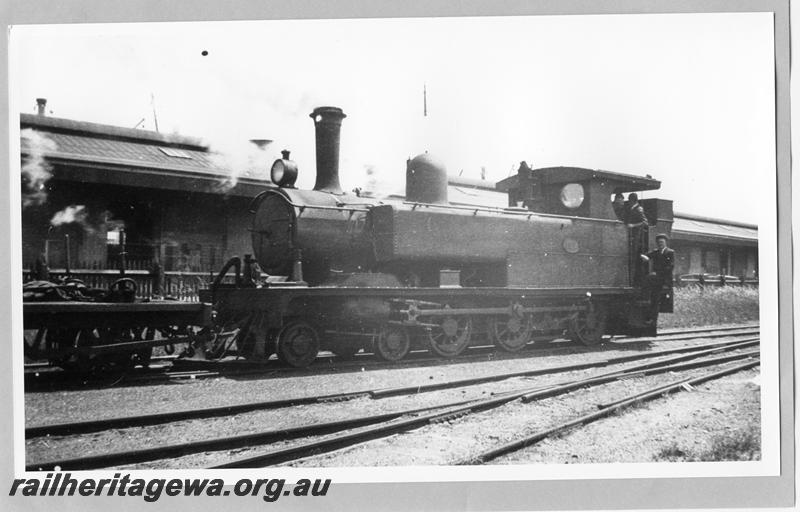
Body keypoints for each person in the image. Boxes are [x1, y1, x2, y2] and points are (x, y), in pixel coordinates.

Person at [640, 233, 675, 320]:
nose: (660, 244)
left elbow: (670, 266)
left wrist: (658, 273)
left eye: (662, 242)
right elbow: (646, 255)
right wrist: (644, 257)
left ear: (665, 243)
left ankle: (645, 295)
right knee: (654, 299)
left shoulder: (670, 252)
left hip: (665, 278)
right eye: (659, 242)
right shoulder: (655, 252)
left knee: (649, 279)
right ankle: (652, 317)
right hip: (657, 279)